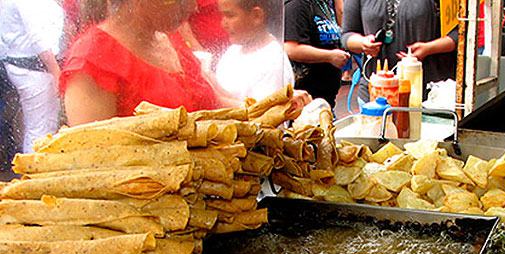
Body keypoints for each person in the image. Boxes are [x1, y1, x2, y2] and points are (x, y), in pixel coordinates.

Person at [61, 0, 221, 125]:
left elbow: (215, 102)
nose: (193, 8)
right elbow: (94, 154)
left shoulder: (170, 40)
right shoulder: (92, 58)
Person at [341, 0, 458, 102]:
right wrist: (363, 43)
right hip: (376, 95)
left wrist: (429, 48)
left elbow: (460, 32)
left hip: (430, 93)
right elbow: (347, 35)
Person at [0, 0, 64, 152]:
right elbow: (38, 38)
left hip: (29, 65)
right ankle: (32, 171)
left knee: (42, 126)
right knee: (41, 130)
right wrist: (56, 71)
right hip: (33, 67)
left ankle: (33, 168)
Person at [216, 0, 295, 102]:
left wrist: (217, 99)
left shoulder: (273, 62)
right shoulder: (233, 50)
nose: (223, 24)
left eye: (230, 16)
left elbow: (262, 113)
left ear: (257, 16)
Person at [284, 0, 350, 108]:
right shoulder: (296, 5)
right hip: (307, 103)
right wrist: (330, 56)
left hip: (326, 99)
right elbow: (291, 48)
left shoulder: (323, 4)